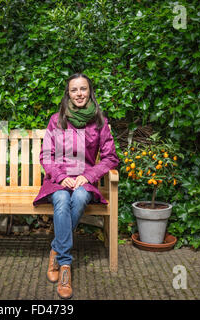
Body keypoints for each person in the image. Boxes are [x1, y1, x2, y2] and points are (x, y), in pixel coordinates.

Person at [33, 73, 119, 299]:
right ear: (68, 94)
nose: (79, 94)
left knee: (80, 198)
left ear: (90, 91)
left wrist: (89, 175)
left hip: (84, 180)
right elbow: (46, 156)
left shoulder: (100, 121)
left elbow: (111, 158)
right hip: (58, 179)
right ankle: (65, 266)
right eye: (74, 90)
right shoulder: (57, 119)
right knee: (61, 199)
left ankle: (56, 250)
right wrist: (60, 177)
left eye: (83, 89)